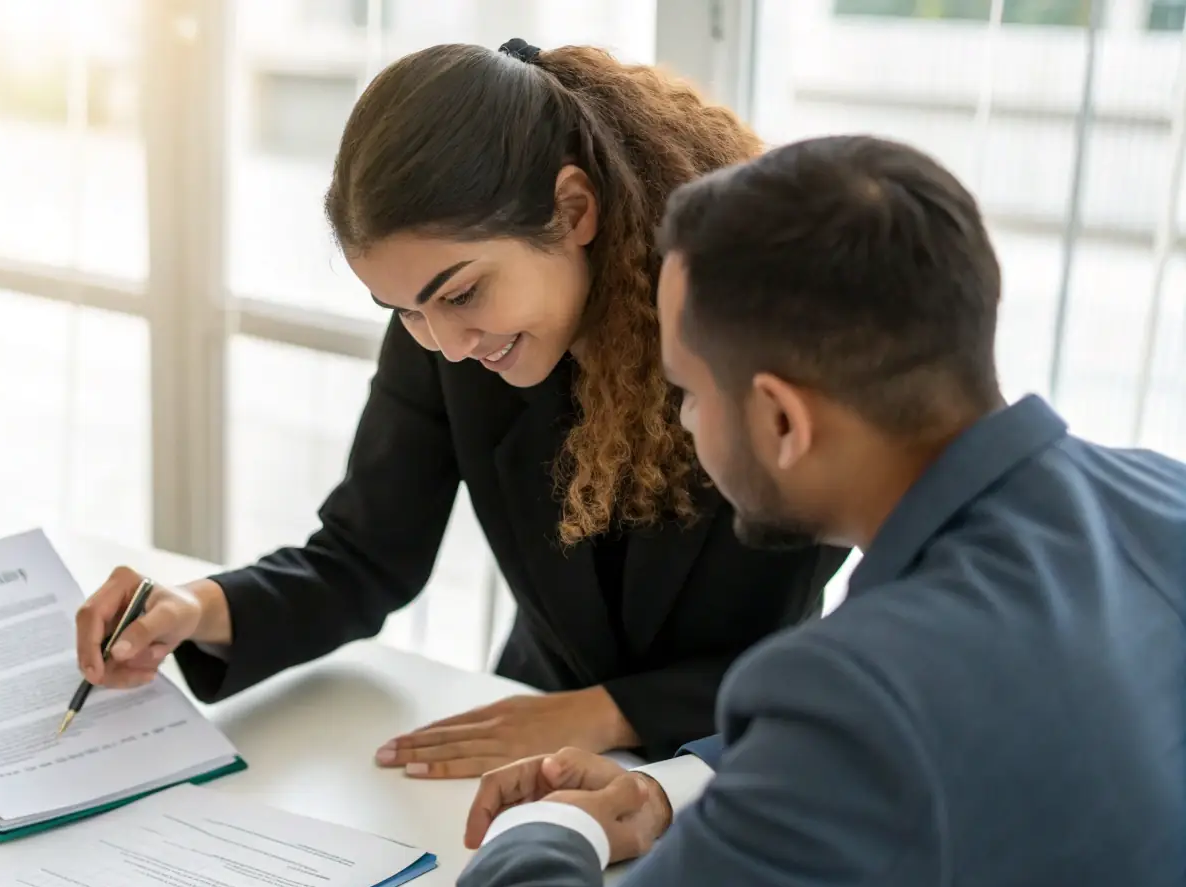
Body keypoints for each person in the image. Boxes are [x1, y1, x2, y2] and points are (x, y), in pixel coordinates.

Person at [446, 134, 1186, 887]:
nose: (680, 423)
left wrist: (538, 835)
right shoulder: (1161, 498)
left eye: (686, 391)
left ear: (782, 420)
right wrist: (670, 787)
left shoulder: (869, 696)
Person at [74, 39, 846, 769]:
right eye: (403, 309)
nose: (442, 343)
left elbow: (813, 655)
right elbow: (364, 556)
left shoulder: (766, 343)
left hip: (731, 762)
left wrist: (606, 713)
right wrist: (192, 609)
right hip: (528, 736)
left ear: (575, 210)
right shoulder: (448, 327)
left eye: (462, 293)